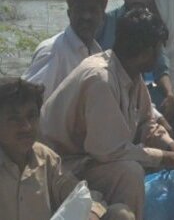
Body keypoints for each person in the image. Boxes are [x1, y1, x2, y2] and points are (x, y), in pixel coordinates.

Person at [40, 9, 174, 219]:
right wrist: (167, 158)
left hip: (88, 158)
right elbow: (108, 151)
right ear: (146, 51)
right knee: (129, 172)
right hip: (62, 166)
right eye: (158, 49)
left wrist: (173, 147)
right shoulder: (101, 80)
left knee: (138, 164)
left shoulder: (130, 72)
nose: (160, 55)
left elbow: (145, 122)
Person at [0, 77, 135, 220]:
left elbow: (77, 194)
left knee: (121, 215)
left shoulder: (45, 157)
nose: (26, 127)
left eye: (31, 116)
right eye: (14, 119)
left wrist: (92, 212)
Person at [96, 0, 174, 145]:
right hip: (111, 91)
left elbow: (160, 65)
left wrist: (170, 94)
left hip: (140, 90)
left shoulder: (152, 24)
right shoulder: (107, 22)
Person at [22, 0, 107, 101]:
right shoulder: (53, 51)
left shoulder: (96, 53)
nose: (86, 16)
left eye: (93, 11)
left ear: (102, 17)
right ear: (69, 13)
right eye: (80, 10)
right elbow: (27, 101)